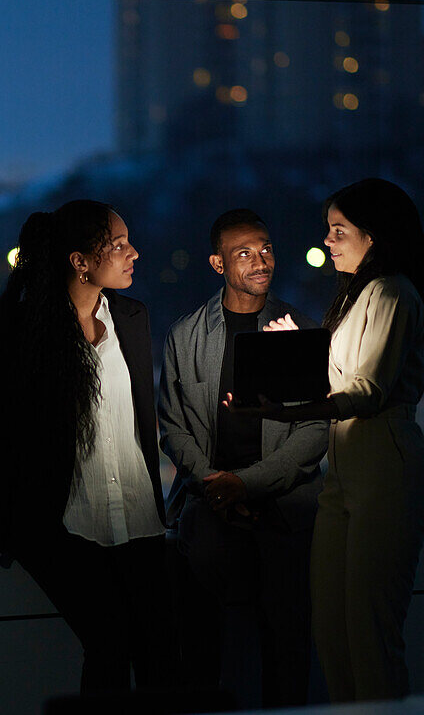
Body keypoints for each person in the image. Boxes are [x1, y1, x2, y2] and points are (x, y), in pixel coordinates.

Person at [0, 200, 176, 693]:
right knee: (110, 645)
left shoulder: (131, 317)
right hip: (66, 521)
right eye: (117, 246)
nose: (133, 253)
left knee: (158, 653)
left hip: (137, 517)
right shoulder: (27, 330)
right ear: (79, 261)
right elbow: (3, 433)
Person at [226, 178, 424, 702]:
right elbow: (344, 379)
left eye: (339, 231)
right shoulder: (362, 294)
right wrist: (291, 358)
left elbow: (366, 391)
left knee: (369, 635)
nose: (328, 241)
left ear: (374, 235)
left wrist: (290, 406)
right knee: (334, 631)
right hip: (348, 470)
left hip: (385, 466)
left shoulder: (392, 292)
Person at [158, 209, 328, 707]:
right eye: (245, 253)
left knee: (288, 641)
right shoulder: (185, 336)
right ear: (217, 263)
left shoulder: (300, 331)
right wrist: (216, 482)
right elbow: (173, 426)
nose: (262, 261)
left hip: (286, 506)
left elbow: (314, 430)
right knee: (201, 638)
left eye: (267, 249)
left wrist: (248, 483)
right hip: (210, 502)